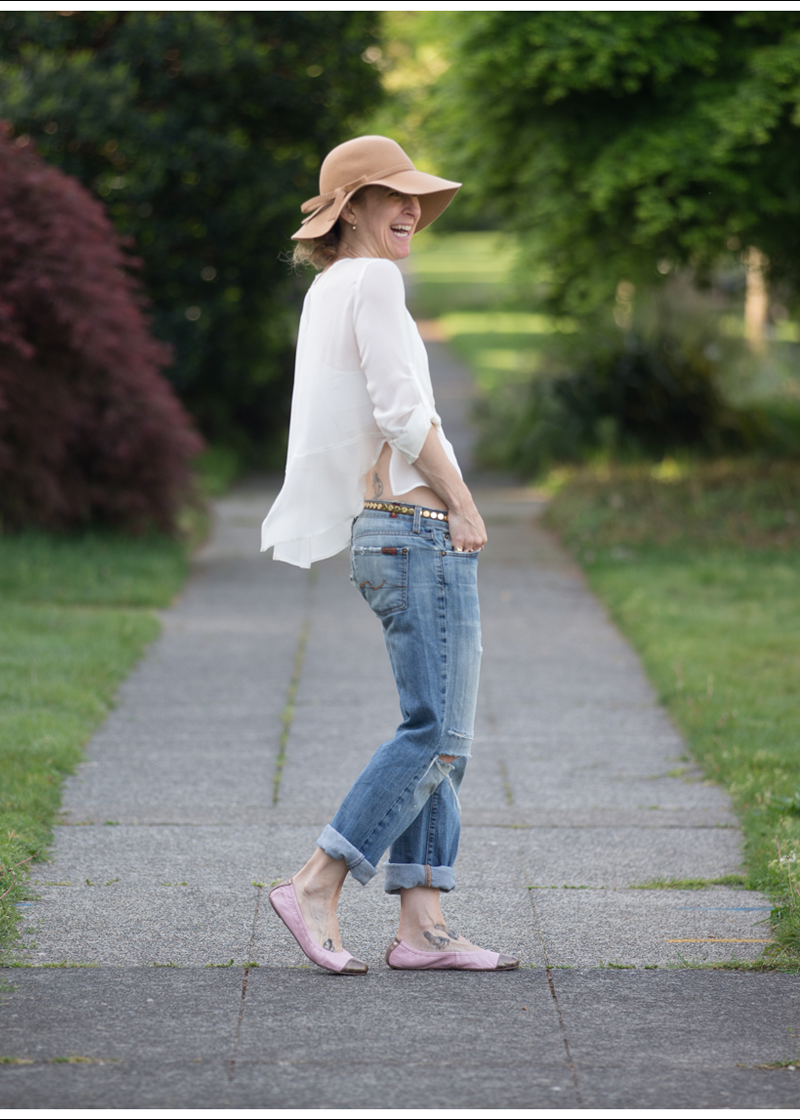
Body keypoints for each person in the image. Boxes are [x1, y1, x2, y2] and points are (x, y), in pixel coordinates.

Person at [261, 136, 518, 974]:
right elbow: (406, 413)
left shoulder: (329, 289)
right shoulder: (374, 279)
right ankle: (316, 879)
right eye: (391, 196)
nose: (412, 210)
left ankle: (422, 926)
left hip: (381, 532)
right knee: (437, 733)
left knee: (441, 729)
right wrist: (465, 503)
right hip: (414, 529)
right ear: (350, 211)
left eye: (416, 198)